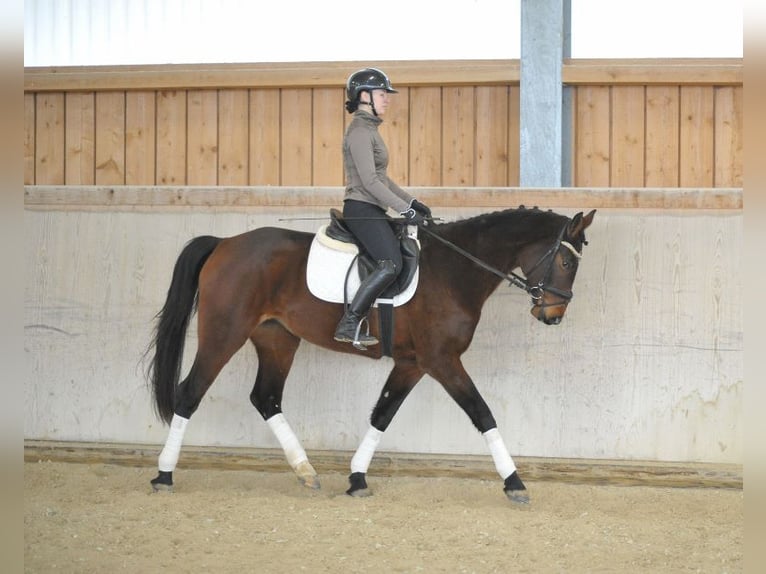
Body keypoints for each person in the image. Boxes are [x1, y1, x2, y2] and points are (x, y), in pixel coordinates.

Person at [333, 67, 432, 348]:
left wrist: (412, 202)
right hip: (360, 209)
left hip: (372, 207)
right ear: (364, 96)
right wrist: (404, 210)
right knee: (390, 263)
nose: (387, 99)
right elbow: (370, 181)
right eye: (381, 94)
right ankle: (349, 321)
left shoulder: (370, 130)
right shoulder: (360, 132)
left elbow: (382, 178)